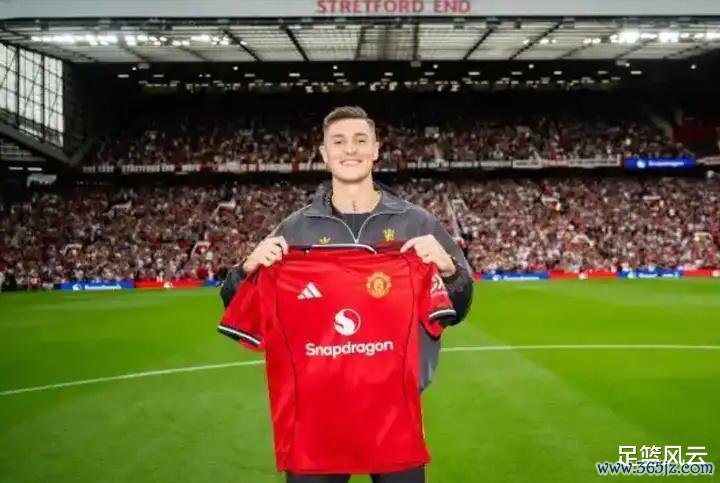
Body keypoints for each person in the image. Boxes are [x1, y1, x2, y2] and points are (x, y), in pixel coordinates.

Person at [220, 106, 474, 483]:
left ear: (376, 149)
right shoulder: (294, 229)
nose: (350, 149)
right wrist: (246, 269)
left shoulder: (417, 222)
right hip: (314, 419)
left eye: (360, 140)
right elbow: (239, 306)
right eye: (338, 142)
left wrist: (450, 271)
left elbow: (459, 306)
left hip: (394, 412)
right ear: (324, 154)